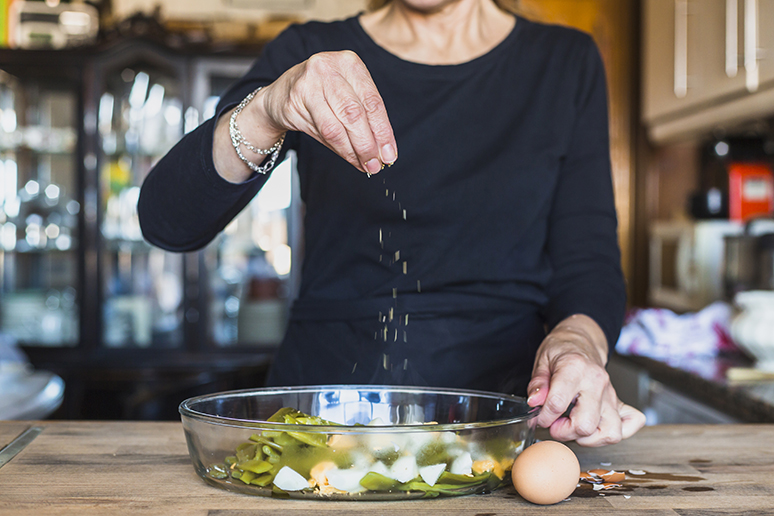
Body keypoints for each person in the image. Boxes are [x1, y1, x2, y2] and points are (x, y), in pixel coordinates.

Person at [138, 0, 646, 446]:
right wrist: (268, 108)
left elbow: (589, 261)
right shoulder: (311, 50)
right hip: (321, 418)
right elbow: (168, 220)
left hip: (500, 417)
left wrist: (577, 343)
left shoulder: (564, 61)